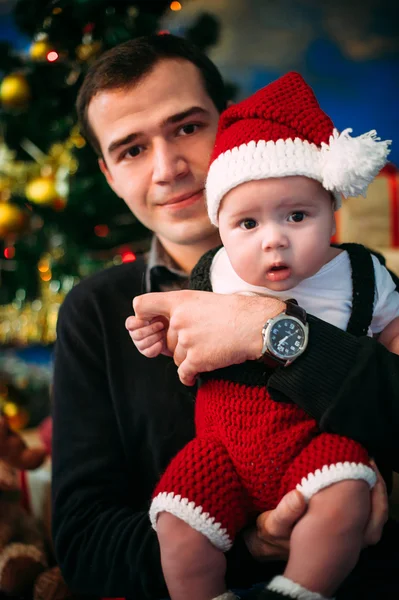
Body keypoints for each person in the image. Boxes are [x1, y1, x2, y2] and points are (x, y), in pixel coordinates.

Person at [52, 34, 397, 600]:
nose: (168, 169)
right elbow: (85, 542)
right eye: (131, 150)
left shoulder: (358, 277)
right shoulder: (95, 313)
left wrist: (269, 335)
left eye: (187, 127)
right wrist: (249, 543)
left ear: (229, 120)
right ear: (110, 175)